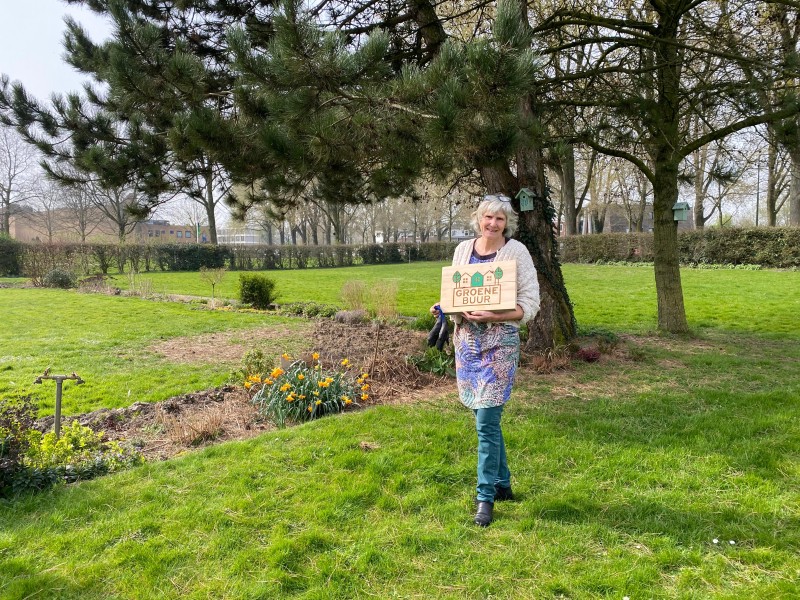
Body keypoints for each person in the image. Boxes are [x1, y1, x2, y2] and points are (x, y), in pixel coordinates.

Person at [432, 194, 540, 527]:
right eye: (488, 217)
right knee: (484, 417)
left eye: (500, 219)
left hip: (499, 345)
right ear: (478, 219)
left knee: (486, 423)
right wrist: (444, 307)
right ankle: (503, 483)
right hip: (468, 346)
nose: (493, 224)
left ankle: (485, 497)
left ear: (507, 223)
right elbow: (458, 294)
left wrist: (494, 315)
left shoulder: (516, 252)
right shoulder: (463, 250)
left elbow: (529, 304)